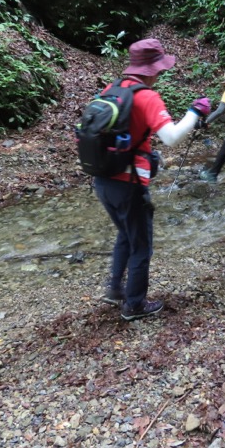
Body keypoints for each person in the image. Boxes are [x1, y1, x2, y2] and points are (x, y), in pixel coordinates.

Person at [94, 38, 210, 321]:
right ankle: (134, 305)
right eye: (160, 68)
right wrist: (194, 113)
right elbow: (171, 137)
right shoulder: (146, 96)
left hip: (102, 179)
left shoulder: (111, 89)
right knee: (142, 244)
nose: (161, 74)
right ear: (151, 69)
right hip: (128, 184)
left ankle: (114, 290)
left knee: (125, 233)